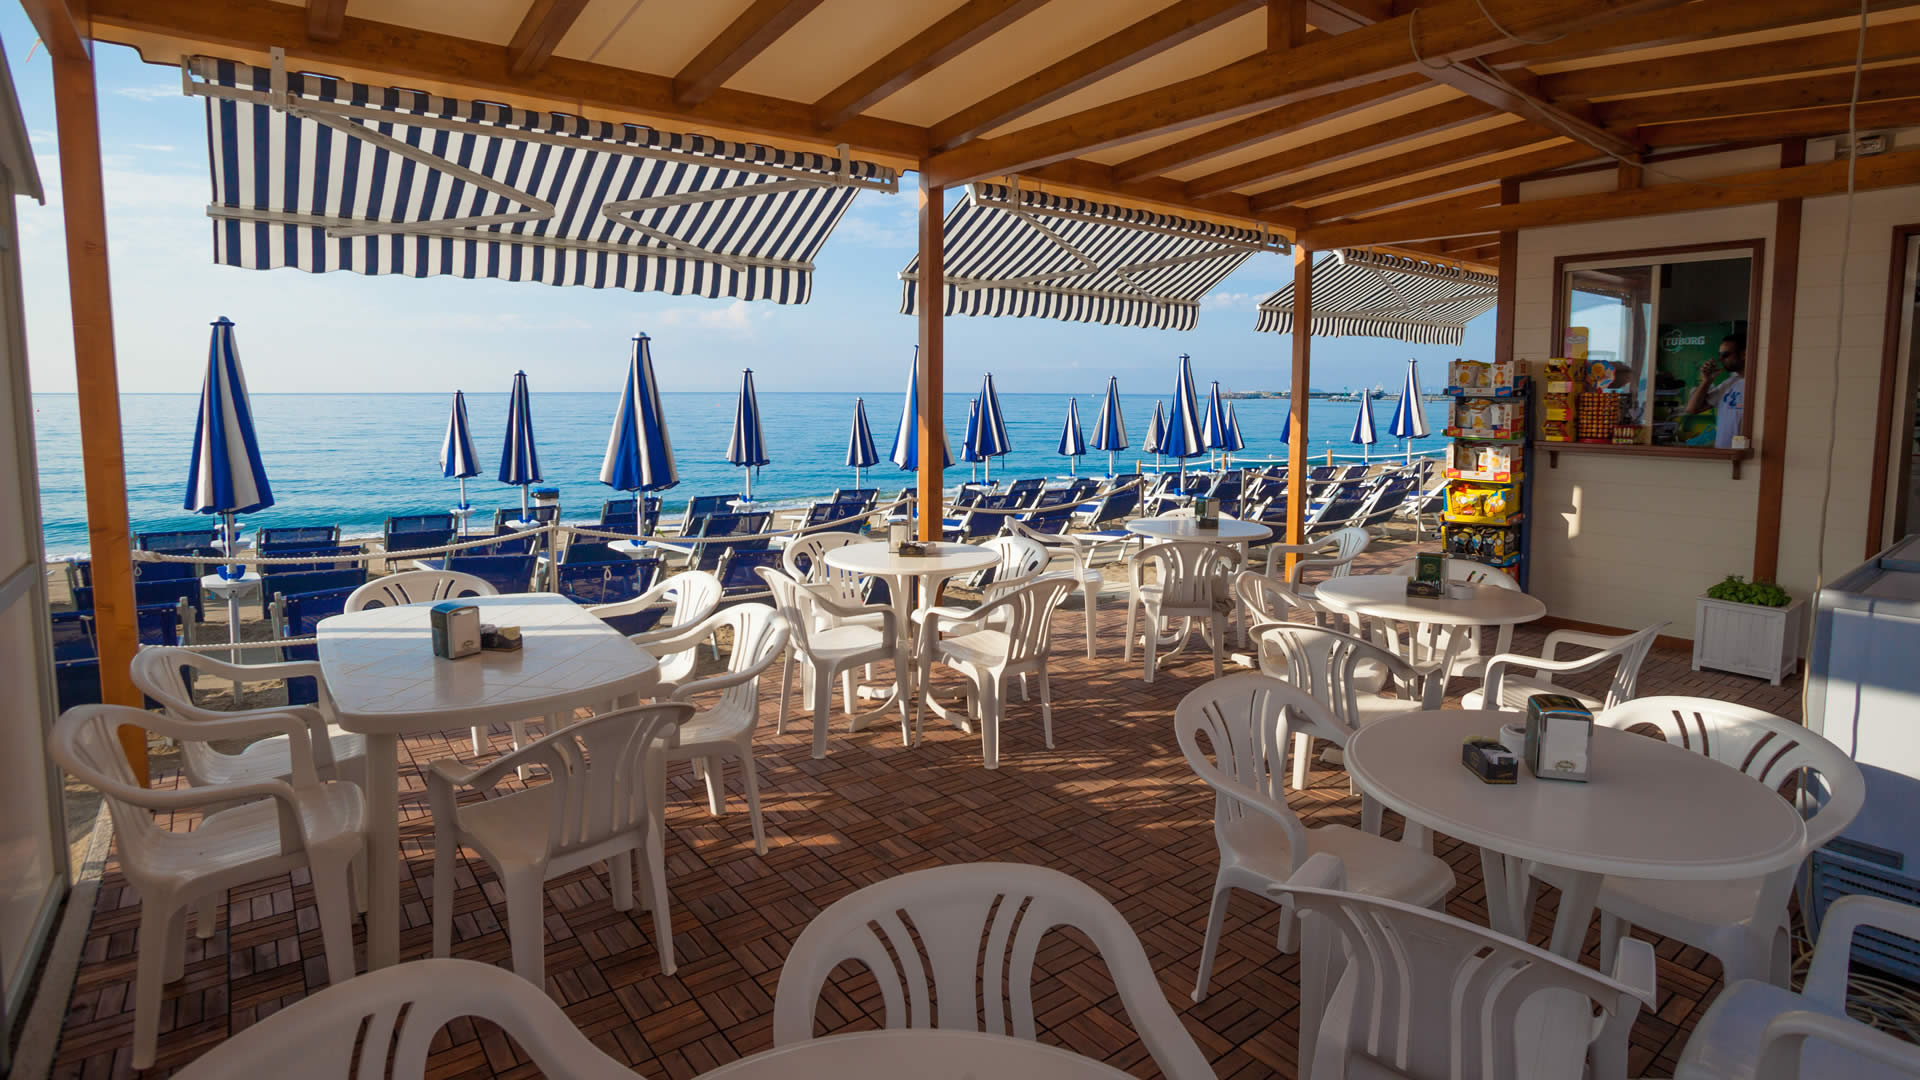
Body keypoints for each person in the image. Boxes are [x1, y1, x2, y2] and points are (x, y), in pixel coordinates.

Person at [1685, 333, 1746, 449]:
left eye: (1725, 355)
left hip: (1743, 454)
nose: (1720, 359)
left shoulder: (1757, 385)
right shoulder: (1729, 383)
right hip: (1722, 453)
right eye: (1720, 355)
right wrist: (1706, 381)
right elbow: (1692, 409)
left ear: (1743, 354)